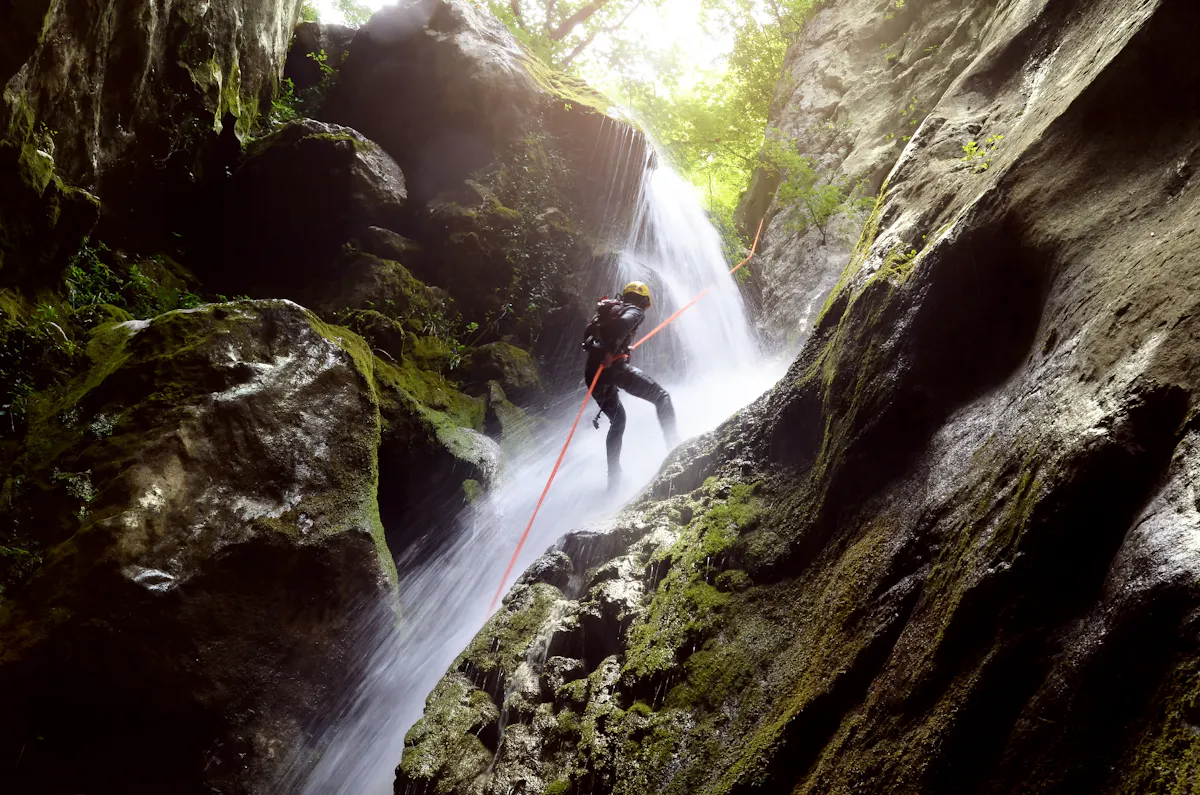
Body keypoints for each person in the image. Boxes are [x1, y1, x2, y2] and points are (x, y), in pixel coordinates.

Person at [582, 281, 679, 490]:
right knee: (662, 398)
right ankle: (677, 449)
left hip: (593, 376)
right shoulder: (634, 310)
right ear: (643, 300)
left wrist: (617, 348)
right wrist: (610, 351)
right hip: (614, 371)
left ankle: (614, 477)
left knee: (618, 421)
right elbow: (621, 326)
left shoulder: (604, 314)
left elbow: (587, 341)